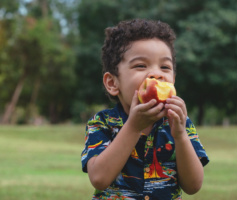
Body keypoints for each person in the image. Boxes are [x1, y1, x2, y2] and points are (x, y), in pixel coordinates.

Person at [81, 19, 209, 200]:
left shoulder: (181, 124)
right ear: (112, 83)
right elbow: (99, 179)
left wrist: (180, 135)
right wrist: (134, 126)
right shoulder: (102, 123)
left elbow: (193, 186)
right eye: (141, 65)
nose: (156, 74)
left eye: (165, 67)